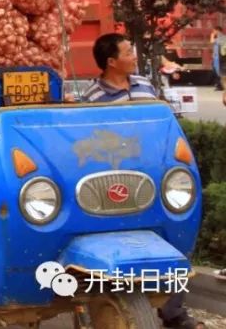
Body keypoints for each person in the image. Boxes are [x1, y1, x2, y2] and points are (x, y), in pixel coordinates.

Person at [79, 33, 203, 329]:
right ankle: (115, 303)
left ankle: (174, 314)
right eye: (127, 52)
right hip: (115, 182)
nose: (134, 56)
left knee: (169, 240)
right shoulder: (91, 98)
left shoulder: (146, 86)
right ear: (111, 62)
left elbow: (165, 124)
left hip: (154, 178)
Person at [211, 25, 225, 91]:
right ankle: (219, 85)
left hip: (220, 59)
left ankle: (220, 85)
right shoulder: (218, 37)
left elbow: (212, 41)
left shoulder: (223, 37)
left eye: (214, 31)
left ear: (218, 30)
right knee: (215, 72)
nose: (213, 32)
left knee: (219, 72)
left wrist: (212, 36)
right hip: (216, 58)